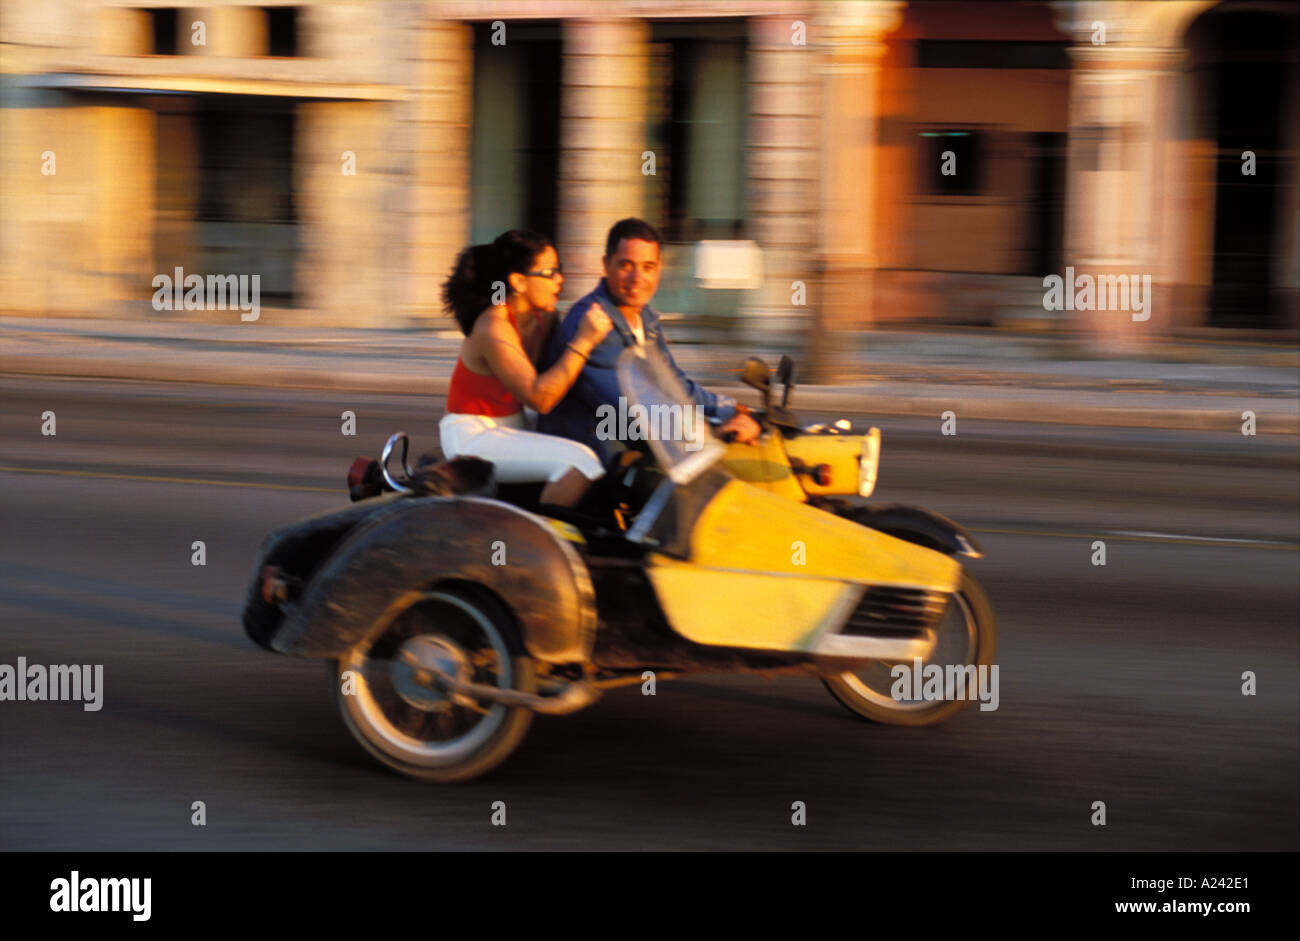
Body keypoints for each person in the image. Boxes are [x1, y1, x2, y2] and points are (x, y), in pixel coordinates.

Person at [537, 218, 761, 461]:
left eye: (648, 267)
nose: (637, 278)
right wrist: (707, 432)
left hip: (631, 445)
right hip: (593, 453)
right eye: (626, 265)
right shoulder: (593, 322)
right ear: (606, 265)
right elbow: (635, 407)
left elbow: (673, 385)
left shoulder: (645, 317)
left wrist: (730, 408)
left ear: (659, 269)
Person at [439, 229, 613, 507]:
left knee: (599, 436)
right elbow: (540, 398)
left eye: (560, 270)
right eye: (550, 273)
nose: (560, 279)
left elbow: (566, 370)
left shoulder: (544, 316)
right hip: (473, 435)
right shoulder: (494, 327)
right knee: (580, 463)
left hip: (514, 426)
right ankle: (542, 543)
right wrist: (584, 340)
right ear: (518, 281)